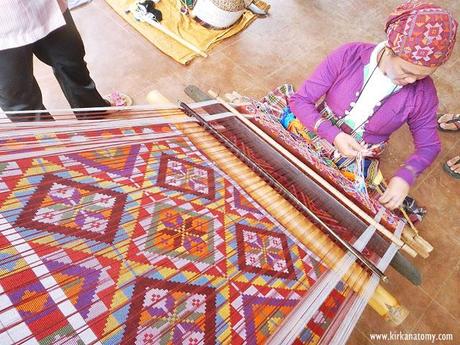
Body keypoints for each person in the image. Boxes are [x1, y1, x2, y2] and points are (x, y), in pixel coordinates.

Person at [287, 1, 458, 210]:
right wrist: (334, 135)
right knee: (280, 162)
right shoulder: (349, 55)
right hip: (316, 127)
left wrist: (405, 176)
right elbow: (300, 101)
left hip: (357, 154)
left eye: (421, 76)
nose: (413, 81)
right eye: (407, 71)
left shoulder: (423, 93)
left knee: (336, 205)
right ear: (389, 48)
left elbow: (429, 146)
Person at [0, 0, 131, 122]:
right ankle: (51, 142)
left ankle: (93, 114)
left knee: (72, 63)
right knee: (19, 99)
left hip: (46, 7)